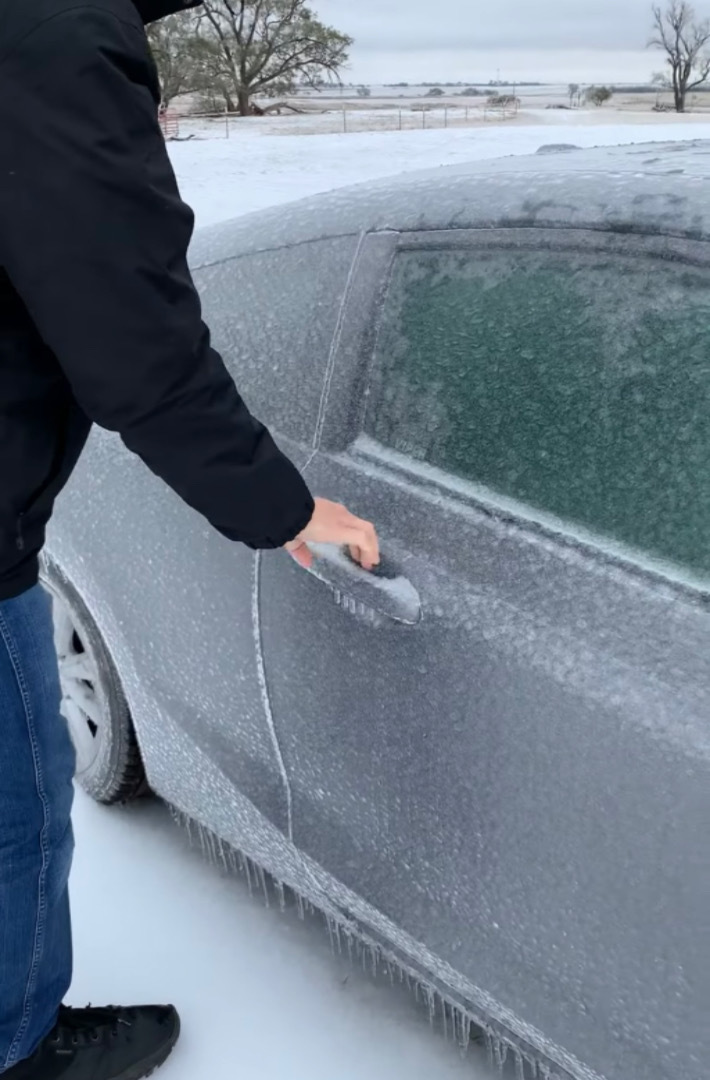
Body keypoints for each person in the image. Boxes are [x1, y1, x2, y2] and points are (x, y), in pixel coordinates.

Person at [0, 1, 379, 1077]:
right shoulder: (53, 35)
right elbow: (134, 342)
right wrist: (286, 509)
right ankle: (17, 1050)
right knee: (14, 823)